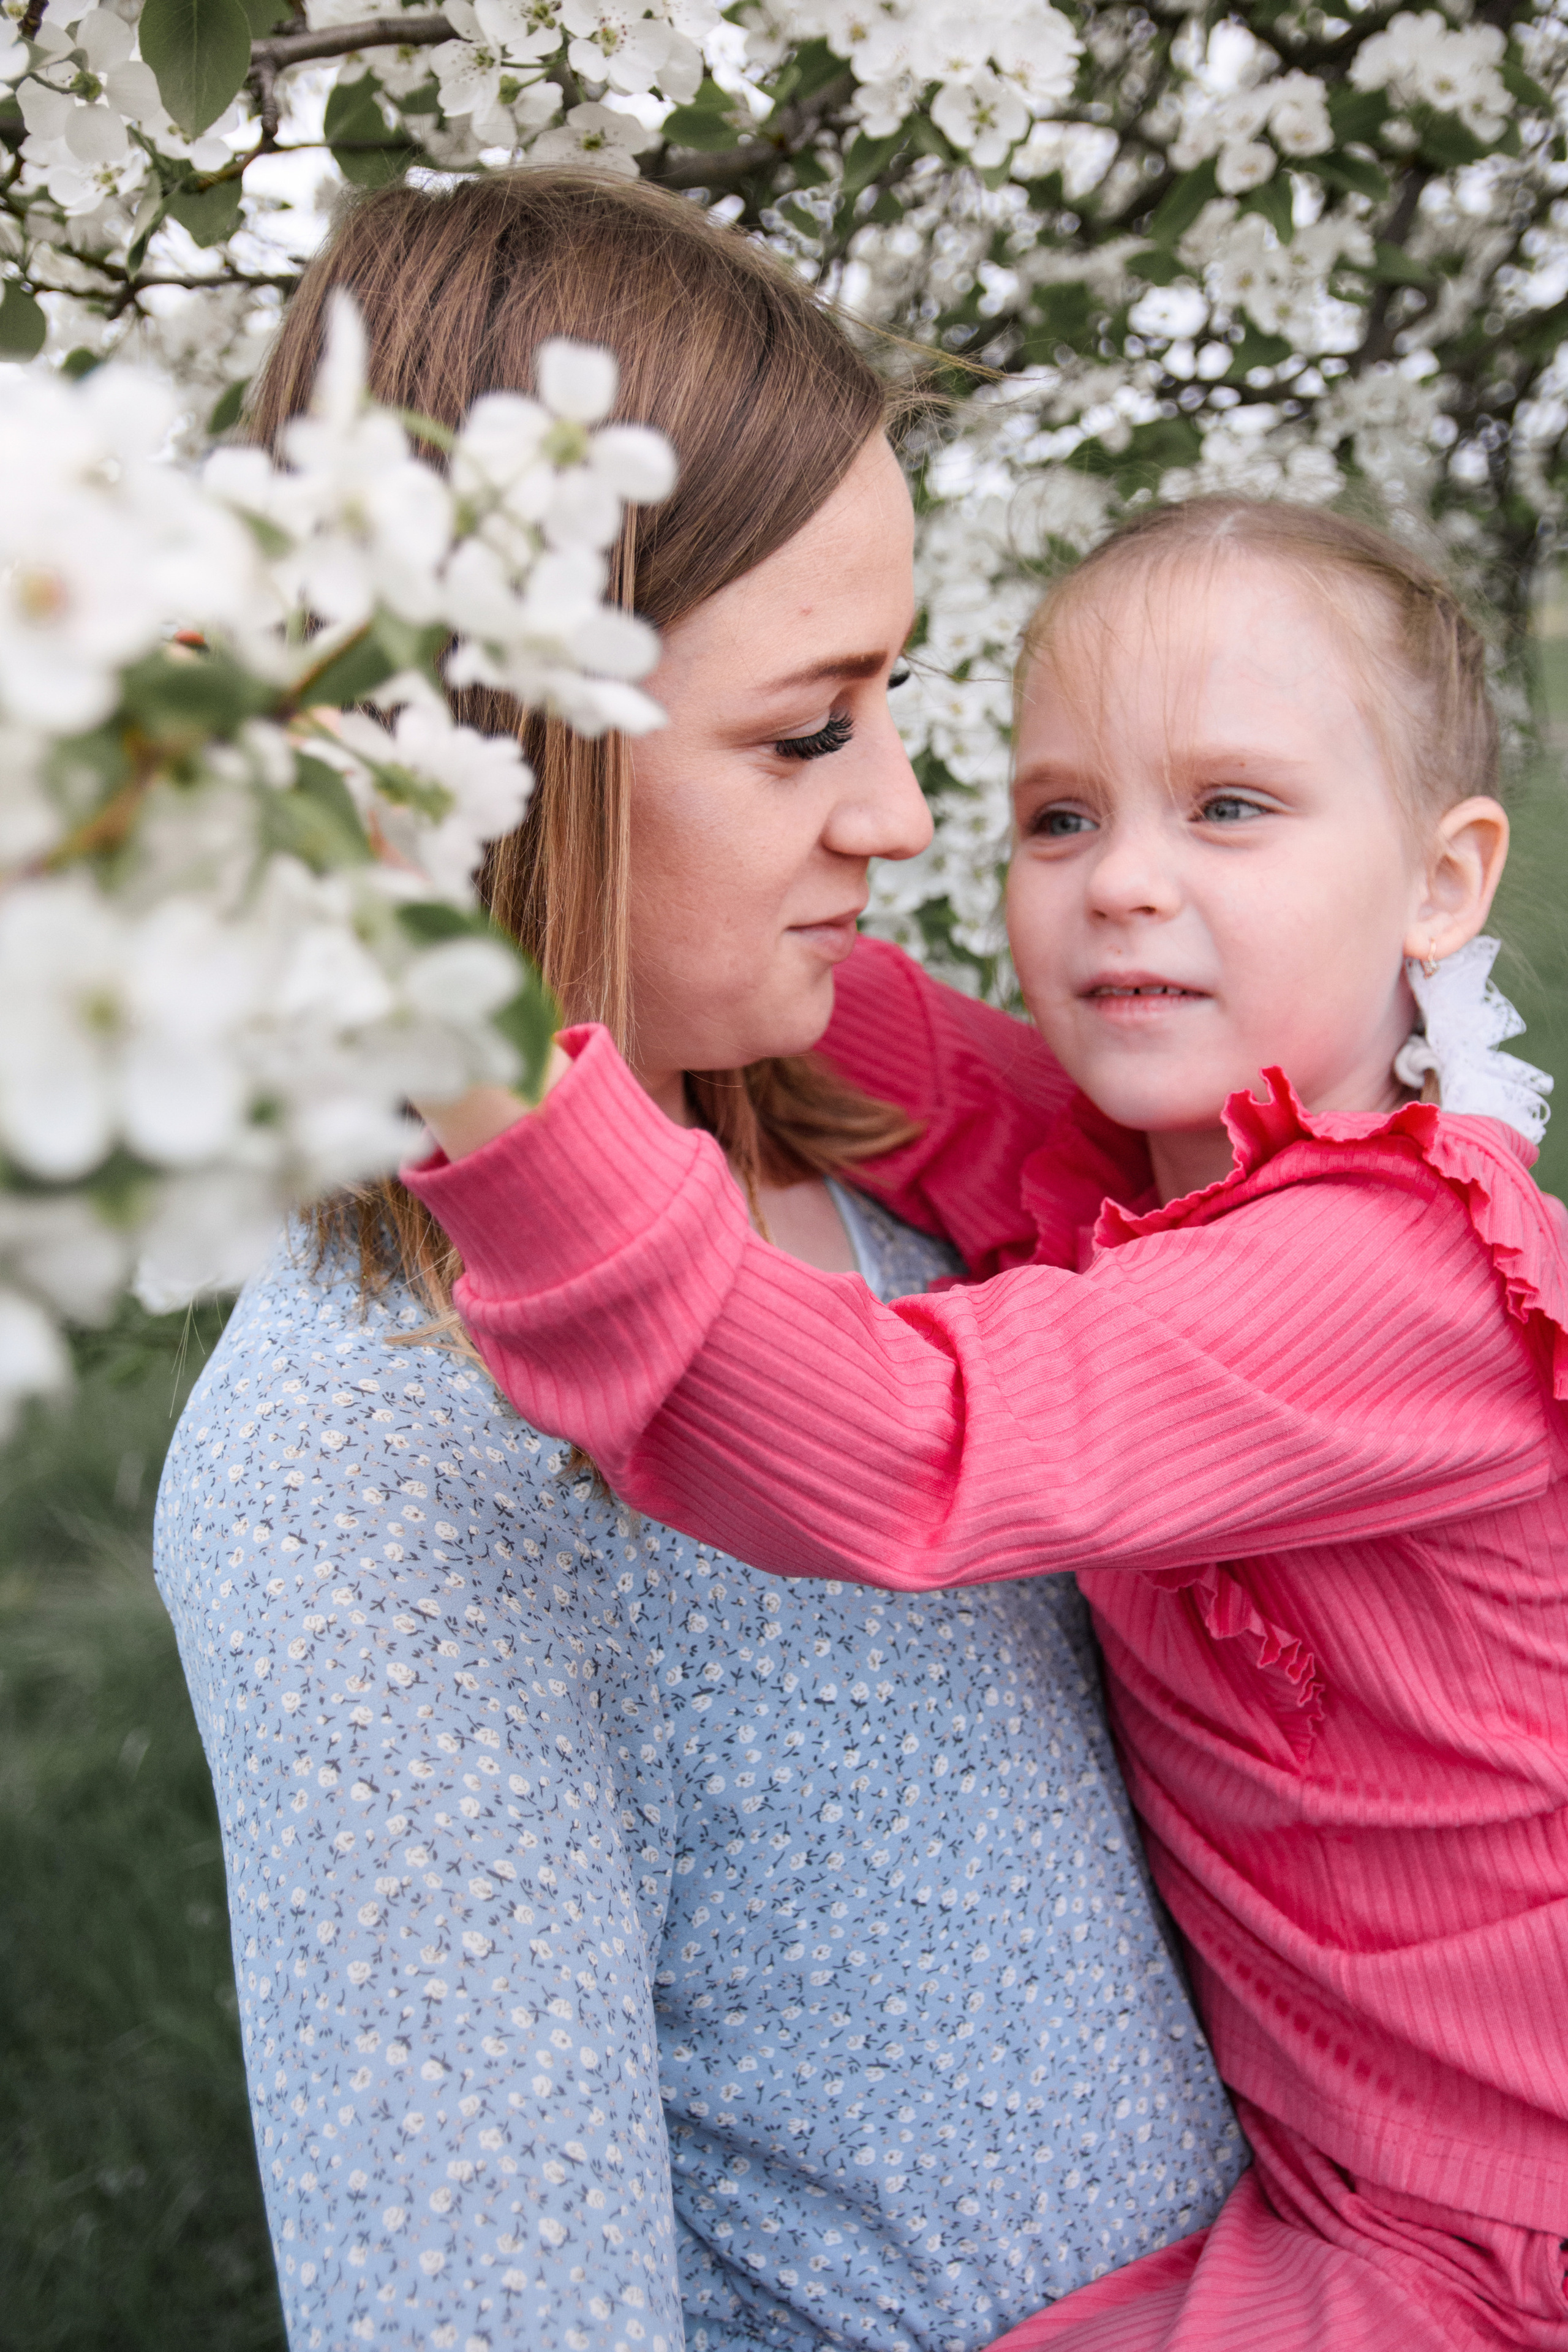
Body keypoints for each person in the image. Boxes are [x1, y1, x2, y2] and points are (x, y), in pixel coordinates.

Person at [153, 174, 1246, 2352]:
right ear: (486, 755)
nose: (911, 814)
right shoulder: (370, 1472)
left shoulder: (878, 1166)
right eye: (803, 731)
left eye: (892, 699)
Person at [400, 499, 1568, 2351]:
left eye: (1233, 808)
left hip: (1499, 2237)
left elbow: (900, 1440)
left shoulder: (1379, 1276)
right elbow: (860, 1034)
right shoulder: (1148, 1169)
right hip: (1351, 2186)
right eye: (1061, 816)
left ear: (1442, 882)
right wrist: (580, 825)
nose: (1121, 881)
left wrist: (465, 1033)